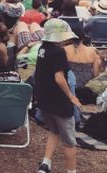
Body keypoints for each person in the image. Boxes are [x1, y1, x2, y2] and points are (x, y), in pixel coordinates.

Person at [34, 19, 81, 173]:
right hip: (59, 102)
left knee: (54, 131)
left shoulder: (42, 49)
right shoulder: (59, 52)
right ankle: (71, 170)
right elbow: (59, 78)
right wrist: (71, 97)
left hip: (44, 100)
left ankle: (45, 164)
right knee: (70, 142)